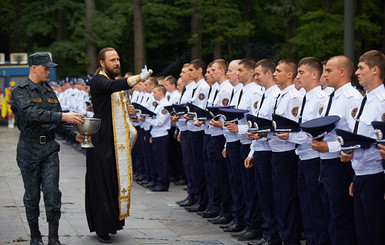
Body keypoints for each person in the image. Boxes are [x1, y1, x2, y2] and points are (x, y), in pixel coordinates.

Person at [10, 52, 86, 245]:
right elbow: (31, 114)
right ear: (33, 68)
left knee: (53, 194)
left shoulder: (50, 91)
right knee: (32, 194)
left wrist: (75, 135)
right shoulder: (20, 90)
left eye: (50, 69)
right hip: (29, 148)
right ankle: (35, 236)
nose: (49, 72)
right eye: (46, 68)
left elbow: (60, 122)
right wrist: (63, 117)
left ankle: (54, 237)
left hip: (50, 148)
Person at [85, 47, 152, 243]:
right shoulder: (98, 80)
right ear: (102, 63)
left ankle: (113, 222)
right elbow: (110, 89)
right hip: (102, 138)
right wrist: (139, 77)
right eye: (112, 60)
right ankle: (101, 227)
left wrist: (127, 108)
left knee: (114, 181)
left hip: (114, 140)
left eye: (118, 59)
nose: (117, 63)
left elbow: (114, 98)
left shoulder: (112, 82)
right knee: (102, 183)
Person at [311, 55, 361, 245]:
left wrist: (329, 147)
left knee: (341, 216)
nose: (325, 74)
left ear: (342, 72)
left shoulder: (352, 98)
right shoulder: (330, 97)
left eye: (329, 70)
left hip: (341, 163)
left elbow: (356, 137)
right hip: (326, 162)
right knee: (329, 213)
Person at [340, 50, 385, 245]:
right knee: (363, 232)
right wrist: (355, 176)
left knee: (376, 232)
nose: (356, 72)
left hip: (376, 176)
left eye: (361, 68)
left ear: (375, 70)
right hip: (361, 174)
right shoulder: (365, 99)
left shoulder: (382, 101)